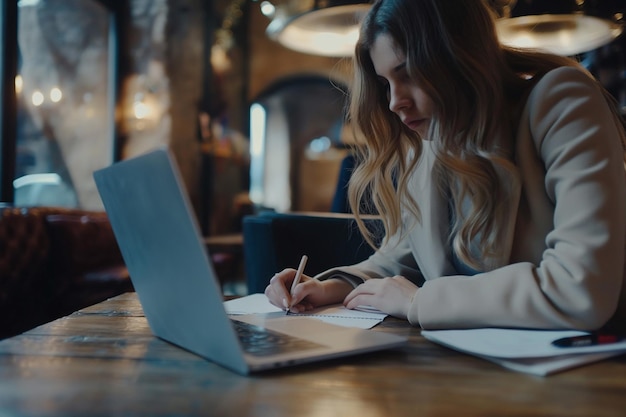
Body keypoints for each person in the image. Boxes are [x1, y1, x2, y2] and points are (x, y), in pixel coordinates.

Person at [265, 0, 626, 331]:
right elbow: (401, 259)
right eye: (384, 82)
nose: (394, 102)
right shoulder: (431, 141)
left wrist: (419, 302)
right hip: (464, 371)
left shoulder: (562, 101)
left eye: (408, 73)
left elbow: (580, 289)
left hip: (578, 376)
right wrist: (331, 287)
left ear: (459, 56)